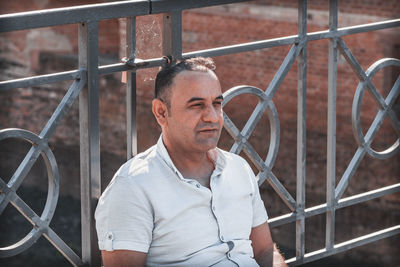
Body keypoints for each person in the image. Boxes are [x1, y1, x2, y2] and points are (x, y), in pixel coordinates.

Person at [95, 57, 287, 267]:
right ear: (161, 112)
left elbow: (265, 250)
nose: (213, 117)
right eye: (197, 106)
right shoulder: (132, 187)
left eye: (217, 104)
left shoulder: (238, 168)